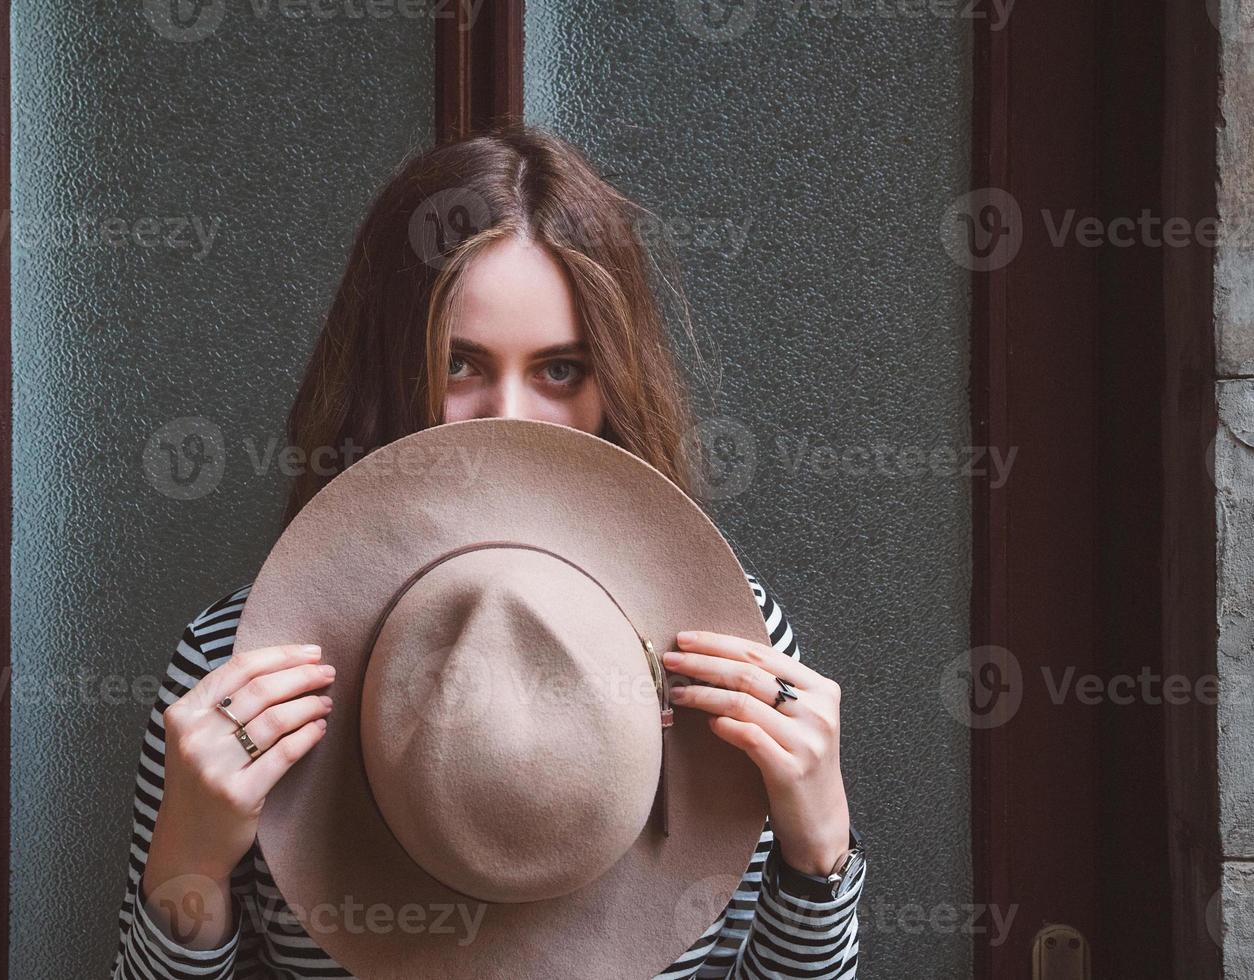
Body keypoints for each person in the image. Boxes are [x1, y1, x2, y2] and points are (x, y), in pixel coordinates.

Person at [111, 123, 864, 979]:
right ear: (389, 367)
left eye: (561, 370)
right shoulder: (235, 666)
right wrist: (188, 870)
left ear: (614, 381)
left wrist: (819, 859)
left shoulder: (733, 643)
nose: (507, 416)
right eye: (459, 362)